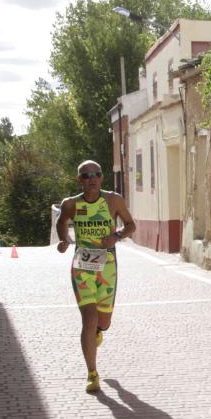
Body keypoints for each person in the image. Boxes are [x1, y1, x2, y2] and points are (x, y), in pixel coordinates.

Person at [56, 161, 135, 393]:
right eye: (86, 175)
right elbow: (61, 222)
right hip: (82, 267)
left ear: (102, 178)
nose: (92, 178)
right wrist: (63, 240)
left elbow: (131, 224)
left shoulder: (113, 200)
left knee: (103, 322)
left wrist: (117, 235)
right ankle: (92, 373)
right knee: (88, 320)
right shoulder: (71, 204)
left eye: (96, 174)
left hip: (108, 268)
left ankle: (99, 331)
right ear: (79, 179)